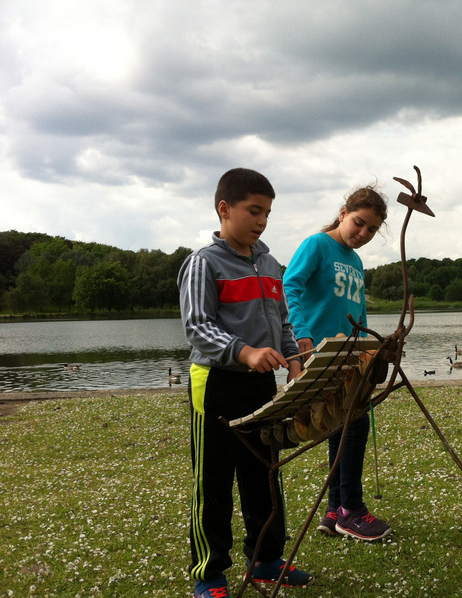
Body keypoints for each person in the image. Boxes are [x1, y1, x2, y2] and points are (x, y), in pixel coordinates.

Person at [178, 168, 312, 598]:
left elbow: (284, 322)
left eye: (267, 213)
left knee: (264, 475)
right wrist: (245, 351)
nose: (261, 221)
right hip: (216, 384)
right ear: (224, 209)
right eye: (254, 211)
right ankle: (209, 574)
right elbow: (198, 327)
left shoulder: (271, 264)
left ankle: (266, 561)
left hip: (261, 386)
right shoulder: (203, 263)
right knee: (213, 483)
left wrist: (292, 359)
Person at [283, 184, 393, 542]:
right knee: (353, 426)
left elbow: (358, 312)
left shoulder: (356, 261)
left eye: (372, 230)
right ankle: (352, 511)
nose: (363, 234)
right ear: (344, 212)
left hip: (351, 357)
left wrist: (370, 353)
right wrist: (303, 337)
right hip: (322, 356)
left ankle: (333, 511)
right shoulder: (317, 245)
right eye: (359, 223)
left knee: (340, 428)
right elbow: (291, 284)